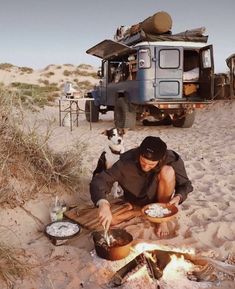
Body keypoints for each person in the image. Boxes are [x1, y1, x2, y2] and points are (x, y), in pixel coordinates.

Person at [90, 136, 193, 238]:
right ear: (139, 153)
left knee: (168, 171)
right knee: (108, 219)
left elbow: (185, 184)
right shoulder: (126, 161)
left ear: (161, 159)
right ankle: (142, 212)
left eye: (151, 164)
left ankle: (161, 219)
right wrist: (103, 203)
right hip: (135, 201)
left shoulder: (172, 159)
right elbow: (100, 180)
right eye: (143, 162)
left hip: (161, 201)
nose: (146, 167)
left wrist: (179, 196)